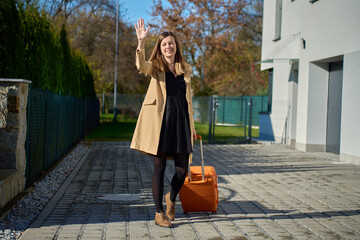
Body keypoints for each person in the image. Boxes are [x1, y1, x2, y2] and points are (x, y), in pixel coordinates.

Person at [130, 18, 197, 228]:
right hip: (161, 124)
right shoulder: (156, 67)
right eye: (164, 44)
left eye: (171, 43)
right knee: (159, 168)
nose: (168, 46)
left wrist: (192, 128)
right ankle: (159, 213)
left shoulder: (185, 70)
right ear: (160, 48)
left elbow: (188, 102)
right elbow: (141, 65)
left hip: (181, 123)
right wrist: (141, 43)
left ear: (176, 47)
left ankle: (171, 198)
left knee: (182, 171)